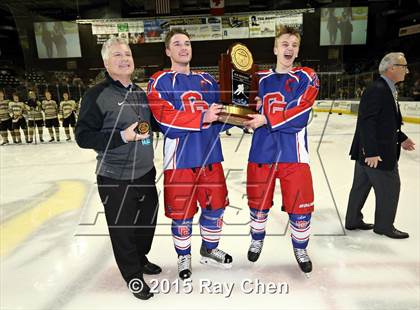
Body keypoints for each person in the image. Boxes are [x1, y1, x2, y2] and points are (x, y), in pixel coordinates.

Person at [75, 37, 160, 300]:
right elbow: (83, 137)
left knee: (146, 223)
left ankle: (140, 257)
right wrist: (121, 137)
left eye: (127, 54)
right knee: (122, 230)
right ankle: (133, 275)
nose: (124, 59)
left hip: (145, 172)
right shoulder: (96, 95)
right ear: (105, 62)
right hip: (115, 176)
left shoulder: (139, 92)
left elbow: (153, 125)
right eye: (117, 55)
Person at [147, 29, 232, 280]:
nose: (184, 48)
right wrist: (201, 117)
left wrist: (244, 116)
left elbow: (219, 117)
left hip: (210, 158)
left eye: (187, 43)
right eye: (177, 44)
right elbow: (166, 122)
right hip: (180, 161)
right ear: (167, 51)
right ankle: (184, 255)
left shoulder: (207, 79)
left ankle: (209, 249)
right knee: (182, 214)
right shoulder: (159, 80)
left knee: (215, 208)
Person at [243, 25, 319, 274]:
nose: (289, 48)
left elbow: (300, 114)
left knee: (300, 208)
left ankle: (300, 247)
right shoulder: (259, 79)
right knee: (258, 204)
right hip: (261, 152)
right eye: (285, 44)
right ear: (276, 48)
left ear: (297, 51)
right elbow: (249, 109)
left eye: (294, 45)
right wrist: (245, 118)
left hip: (293, 154)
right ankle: (257, 238)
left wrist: (265, 119)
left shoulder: (306, 77)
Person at [345, 52, 415, 239]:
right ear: (392, 69)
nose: (407, 71)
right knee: (391, 186)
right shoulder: (378, 89)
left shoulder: (386, 88)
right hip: (377, 153)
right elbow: (367, 122)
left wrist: (401, 137)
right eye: (404, 67)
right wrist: (372, 152)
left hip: (368, 151)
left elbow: (385, 123)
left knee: (360, 187)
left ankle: (353, 220)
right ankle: (384, 226)